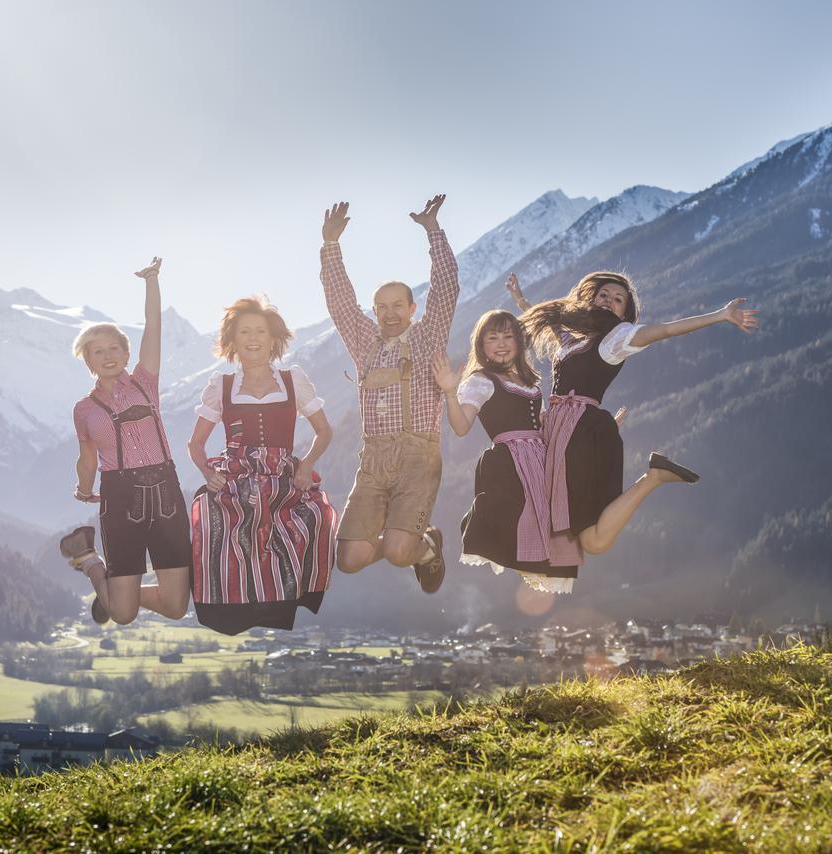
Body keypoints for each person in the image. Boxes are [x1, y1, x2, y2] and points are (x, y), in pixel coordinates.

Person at [512, 271, 759, 591]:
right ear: (589, 297)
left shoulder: (618, 337)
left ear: (624, 313)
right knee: (592, 540)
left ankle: (654, 478)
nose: (609, 301)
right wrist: (519, 297)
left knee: (580, 531)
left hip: (579, 436)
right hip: (565, 433)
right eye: (604, 294)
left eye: (618, 300)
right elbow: (542, 318)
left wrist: (720, 315)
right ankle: (654, 476)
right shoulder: (573, 335)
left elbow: (667, 330)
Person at [319, 195, 460, 593]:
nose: (390, 313)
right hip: (374, 459)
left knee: (399, 552)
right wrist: (331, 246)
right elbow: (340, 302)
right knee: (349, 560)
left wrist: (433, 231)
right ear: (375, 311)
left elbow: (448, 286)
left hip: (418, 456)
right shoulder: (364, 341)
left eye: (398, 305)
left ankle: (424, 546)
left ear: (413, 308)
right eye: (381, 307)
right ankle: (414, 539)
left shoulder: (429, 336)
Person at [186, 296, 337, 635]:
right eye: (244, 332)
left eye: (260, 331)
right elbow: (195, 444)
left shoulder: (293, 380)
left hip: (283, 472)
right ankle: (226, 606)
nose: (252, 338)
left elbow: (324, 431)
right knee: (212, 523)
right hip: (236, 475)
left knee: (318, 517)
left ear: (273, 339)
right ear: (233, 342)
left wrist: (306, 465)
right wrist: (208, 473)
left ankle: (288, 599)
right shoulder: (221, 386)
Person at [60, 257, 191, 624]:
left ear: (127, 352)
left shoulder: (145, 382)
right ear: (88, 361)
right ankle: (90, 564)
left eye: (114, 348)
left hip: (167, 492)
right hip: (119, 500)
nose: (107, 356)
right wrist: (85, 490)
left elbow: (154, 325)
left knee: (177, 606)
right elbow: (87, 459)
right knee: (123, 615)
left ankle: (120, 593)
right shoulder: (84, 409)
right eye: (97, 351)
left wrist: (151, 280)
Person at [433, 310, 582, 592]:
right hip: (510, 463)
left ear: (518, 341)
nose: (501, 343)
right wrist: (450, 393)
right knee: (513, 515)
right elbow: (461, 426)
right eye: (492, 337)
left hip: (541, 458)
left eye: (508, 336)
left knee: (552, 521)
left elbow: (544, 426)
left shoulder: (531, 383)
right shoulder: (481, 381)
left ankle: (538, 564)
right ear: (482, 345)